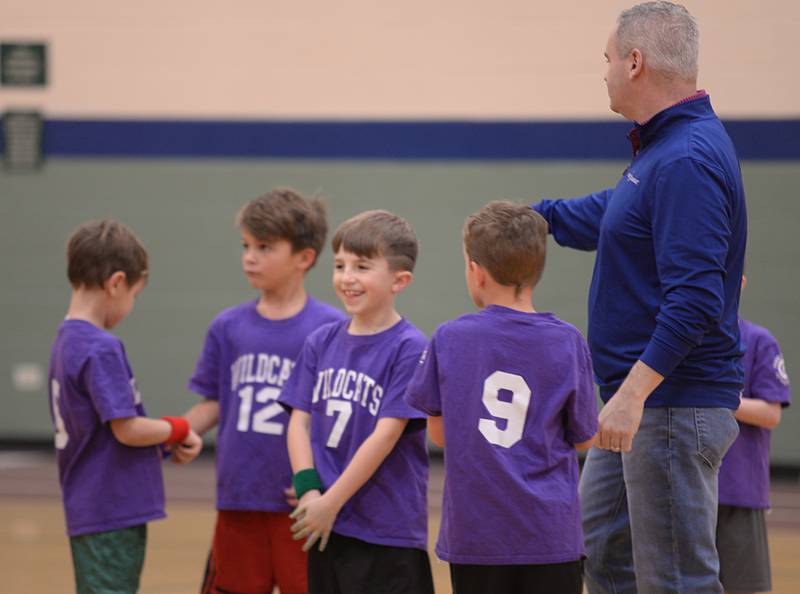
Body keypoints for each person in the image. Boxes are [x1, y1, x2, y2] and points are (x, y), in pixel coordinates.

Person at [531, 2, 747, 593]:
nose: (602, 71)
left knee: (676, 580)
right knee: (603, 550)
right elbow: (614, 215)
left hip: (667, 406)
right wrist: (537, 219)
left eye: (606, 59)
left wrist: (630, 395)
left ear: (635, 61)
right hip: (642, 404)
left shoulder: (685, 159)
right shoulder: (662, 151)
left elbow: (697, 300)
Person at [404, 201, 598, 594]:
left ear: (475, 271)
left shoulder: (449, 337)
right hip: (549, 536)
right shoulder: (567, 341)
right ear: (536, 272)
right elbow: (584, 437)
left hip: (476, 538)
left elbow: (439, 436)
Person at [184, 188, 345, 594]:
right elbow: (216, 401)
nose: (249, 256)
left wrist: (322, 480)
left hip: (299, 506)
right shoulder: (227, 326)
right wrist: (179, 431)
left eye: (265, 246)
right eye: (246, 245)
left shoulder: (331, 329)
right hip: (238, 497)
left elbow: (342, 415)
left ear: (304, 258)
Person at [278, 210, 435, 594]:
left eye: (362, 266)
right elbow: (299, 422)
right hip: (327, 524)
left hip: (386, 532)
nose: (347, 277)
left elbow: (386, 435)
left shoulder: (409, 347)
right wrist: (310, 491)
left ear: (400, 280)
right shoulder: (321, 341)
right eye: (340, 265)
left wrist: (331, 501)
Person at [48, 219, 202, 594]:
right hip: (110, 510)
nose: (131, 306)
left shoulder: (66, 339)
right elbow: (127, 429)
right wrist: (178, 429)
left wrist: (161, 444)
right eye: (135, 294)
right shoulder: (101, 346)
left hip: (92, 505)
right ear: (116, 283)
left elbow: (99, 433)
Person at [716, 277, 791, 594]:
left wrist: (718, 397)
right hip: (686, 490)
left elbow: (771, 413)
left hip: (738, 490)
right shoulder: (677, 340)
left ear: (740, 281)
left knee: (744, 587)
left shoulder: (759, 340)